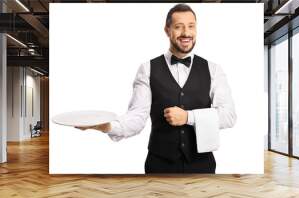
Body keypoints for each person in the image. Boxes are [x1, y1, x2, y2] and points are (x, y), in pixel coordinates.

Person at [76, 3, 236, 174]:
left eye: (191, 26)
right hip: (160, 164)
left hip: (202, 164)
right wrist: (106, 126)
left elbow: (229, 116)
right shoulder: (147, 69)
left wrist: (189, 117)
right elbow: (137, 117)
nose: (186, 33)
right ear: (167, 30)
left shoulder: (213, 69)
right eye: (178, 27)